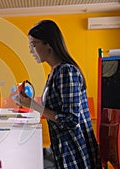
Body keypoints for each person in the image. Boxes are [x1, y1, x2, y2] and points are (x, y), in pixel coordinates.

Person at [18, 20, 101, 168]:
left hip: (73, 152)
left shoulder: (66, 71)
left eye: (33, 45)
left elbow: (71, 120)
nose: (31, 51)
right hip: (61, 147)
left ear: (48, 44)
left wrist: (33, 105)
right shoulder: (55, 72)